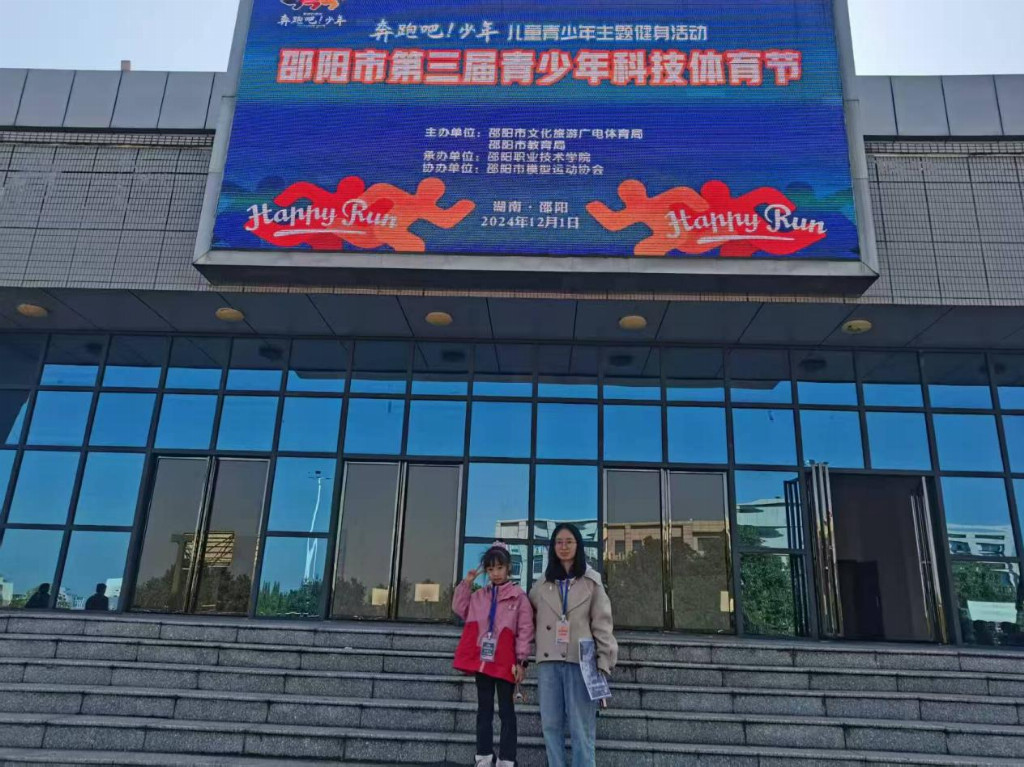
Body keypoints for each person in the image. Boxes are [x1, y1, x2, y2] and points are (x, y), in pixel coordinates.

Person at [530, 523, 617, 767]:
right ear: (552, 547)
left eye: (569, 541)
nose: (564, 546)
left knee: (582, 727)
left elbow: (602, 623)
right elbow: (528, 617)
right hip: (549, 662)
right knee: (550, 725)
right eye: (559, 542)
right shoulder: (542, 584)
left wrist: (604, 660)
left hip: (581, 661)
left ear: (578, 545)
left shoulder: (591, 581)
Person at [452, 541, 534, 767]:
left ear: (508, 568)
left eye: (499, 568)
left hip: (506, 662)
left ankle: (507, 758)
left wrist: (522, 662)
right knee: (484, 710)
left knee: (506, 711)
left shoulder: (518, 597)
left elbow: (525, 630)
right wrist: (467, 584)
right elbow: (460, 609)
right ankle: (484, 755)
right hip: (483, 661)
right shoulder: (480, 596)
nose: (495, 573)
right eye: (490, 569)